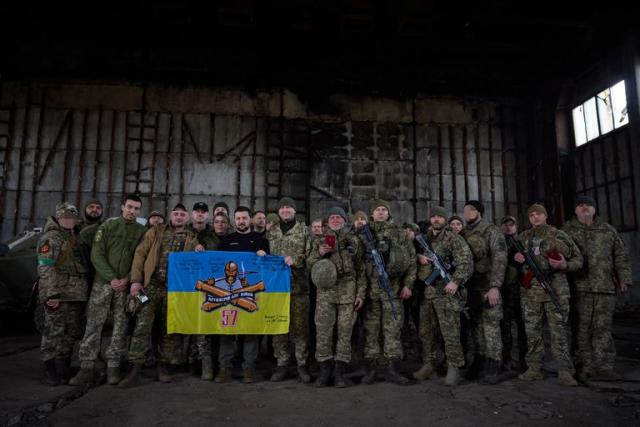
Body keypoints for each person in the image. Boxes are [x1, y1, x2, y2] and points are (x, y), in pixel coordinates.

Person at [118, 203, 204, 388]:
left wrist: (199, 251)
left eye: (182, 214)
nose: (179, 217)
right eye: (176, 214)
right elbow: (140, 255)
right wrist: (135, 281)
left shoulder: (192, 237)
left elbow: (198, 261)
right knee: (142, 325)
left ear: (187, 218)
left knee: (168, 329)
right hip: (150, 287)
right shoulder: (155, 232)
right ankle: (135, 369)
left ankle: (162, 366)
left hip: (175, 291)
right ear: (170, 215)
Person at [70, 195, 147, 386]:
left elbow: (141, 260)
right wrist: (111, 278)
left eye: (136, 208)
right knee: (94, 324)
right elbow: (97, 255)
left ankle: (113, 367)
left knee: (120, 327)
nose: (132, 211)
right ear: (122, 207)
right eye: (129, 207)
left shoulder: (142, 231)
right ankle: (86, 367)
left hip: (125, 286)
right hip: (103, 284)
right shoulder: (107, 227)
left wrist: (127, 279)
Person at [563, 195, 632, 381]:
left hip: (604, 288)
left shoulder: (608, 230)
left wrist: (623, 279)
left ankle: (605, 367)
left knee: (603, 329)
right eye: (580, 205)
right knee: (580, 330)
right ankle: (581, 367)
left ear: (594, 209)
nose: (584, 207)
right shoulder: (566, 232)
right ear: (575, 210)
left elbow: (620, 255)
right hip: (578, 288)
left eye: (588, 205)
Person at [514, 203, 582, 386]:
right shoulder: (523, 237)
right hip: (530, 293)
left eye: (539, 214)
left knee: (559, 332)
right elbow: (512, 263)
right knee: (532, 332)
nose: (535, 217)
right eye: (532, 215)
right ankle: (535, 369)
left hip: (555, 290)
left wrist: (564, 266)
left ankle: (565, 371)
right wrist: (516, 259)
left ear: (545, 216)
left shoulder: (558, 235)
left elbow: (578, 259)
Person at [413, 206, 473, 386]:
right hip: (427, 294)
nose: (437, 219)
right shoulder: (423, 239)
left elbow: (466, 262)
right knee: (426, 332)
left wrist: (455, 281)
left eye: (440, 216)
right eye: (434, 217)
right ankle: (429, 364)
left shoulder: (453, 238)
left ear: (445, 220)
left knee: (450, 333)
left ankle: (454, 367)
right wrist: (418, 256)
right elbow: (410, 255)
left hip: (446, 294)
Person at [360, 199, 416, 385]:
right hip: (371, 292)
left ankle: (392, 369)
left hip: (393, 290)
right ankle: (373, 369)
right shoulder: (363, 234)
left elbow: (411, 261)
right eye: (378, 210)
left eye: (384, 210)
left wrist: (408, 285)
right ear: (372, 214)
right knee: (372, 331)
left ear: (389, 213)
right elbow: (358, 264)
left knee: (392, 330)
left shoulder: (400, 234)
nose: (381, 212)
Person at [307, 207, 365, 387]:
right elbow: (309, 264)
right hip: (325, 293)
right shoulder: (319, 239)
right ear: (327, 220)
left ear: (344, 220)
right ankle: (325, 372)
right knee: (323, 332)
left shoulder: (354, 240)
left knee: (345, 333)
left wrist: (360, 293)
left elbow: (362, 269)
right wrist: (320, 253)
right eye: (332, 217)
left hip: (348, 293)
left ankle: (340, 373)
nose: (335, 219)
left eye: (339, 217)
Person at [214, 206, 270, 384]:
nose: (241, 221)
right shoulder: (226, 241)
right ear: (234, 220)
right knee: (227, 330)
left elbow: (268, 268)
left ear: (250, 220)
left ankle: (249, 369)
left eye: (244, 218)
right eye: (238, 218)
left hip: (251, 293)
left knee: (250, 331)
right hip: (228, 293)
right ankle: (225, 368)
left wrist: (265, 256)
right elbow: (215, 265)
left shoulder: (261, 241)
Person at [37, 203, 88, 385]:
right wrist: (51, 294)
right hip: (58, 294)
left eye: (72, 217)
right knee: (53, 332)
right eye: (66, 217)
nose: (69, 220)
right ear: (58, 218)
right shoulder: (51, 238)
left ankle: (62, 367)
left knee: (70, 333)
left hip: (76, 295)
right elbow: (45, 267)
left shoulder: (76, 237)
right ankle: (50, 370)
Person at [460, 200, 507, 384]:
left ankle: (493, 364)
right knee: (476, 326)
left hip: (488, 286)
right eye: (465, 210)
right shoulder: (464, 232)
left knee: (491, 325)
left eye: (471, 209)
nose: (467, 213)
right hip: (471, 288)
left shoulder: (491, 231)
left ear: (479, 211)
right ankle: (479, 360)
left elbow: (500, 259)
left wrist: (495, 287)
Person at [268, 197, 312, 383]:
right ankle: (282, 364)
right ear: (278, 211)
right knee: (279, 327)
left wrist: (297, 260)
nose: (285, 210)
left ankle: (301, 365)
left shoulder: (304, 231)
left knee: (300, 328)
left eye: (289, 207)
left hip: (298, 288)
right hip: (276, 290)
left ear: (295, 211)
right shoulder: (272, 233)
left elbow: (311, 256)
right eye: (282, 207)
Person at [187, 202, 220, 380]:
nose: (200, 215)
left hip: (209, 287)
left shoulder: (213, 236)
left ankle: (206, 364)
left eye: (203, 212)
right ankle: (191, 361)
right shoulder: (184, 233)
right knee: (187, 322)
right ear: (192, 214)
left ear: (207, 216)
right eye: (197, 211)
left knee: (205, 325)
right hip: (184, 287)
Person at [500, 215, 527, 372]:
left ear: (516, 227)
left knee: (524, 327)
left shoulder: (522, 242)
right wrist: (512, 257)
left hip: (522, 290)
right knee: (506, 327)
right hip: (506, 290)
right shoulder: (499, 243)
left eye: (512, 224)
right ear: (501, 227)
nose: (509, 227)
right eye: (506, 225)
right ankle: (507, 359)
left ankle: (524, 361)